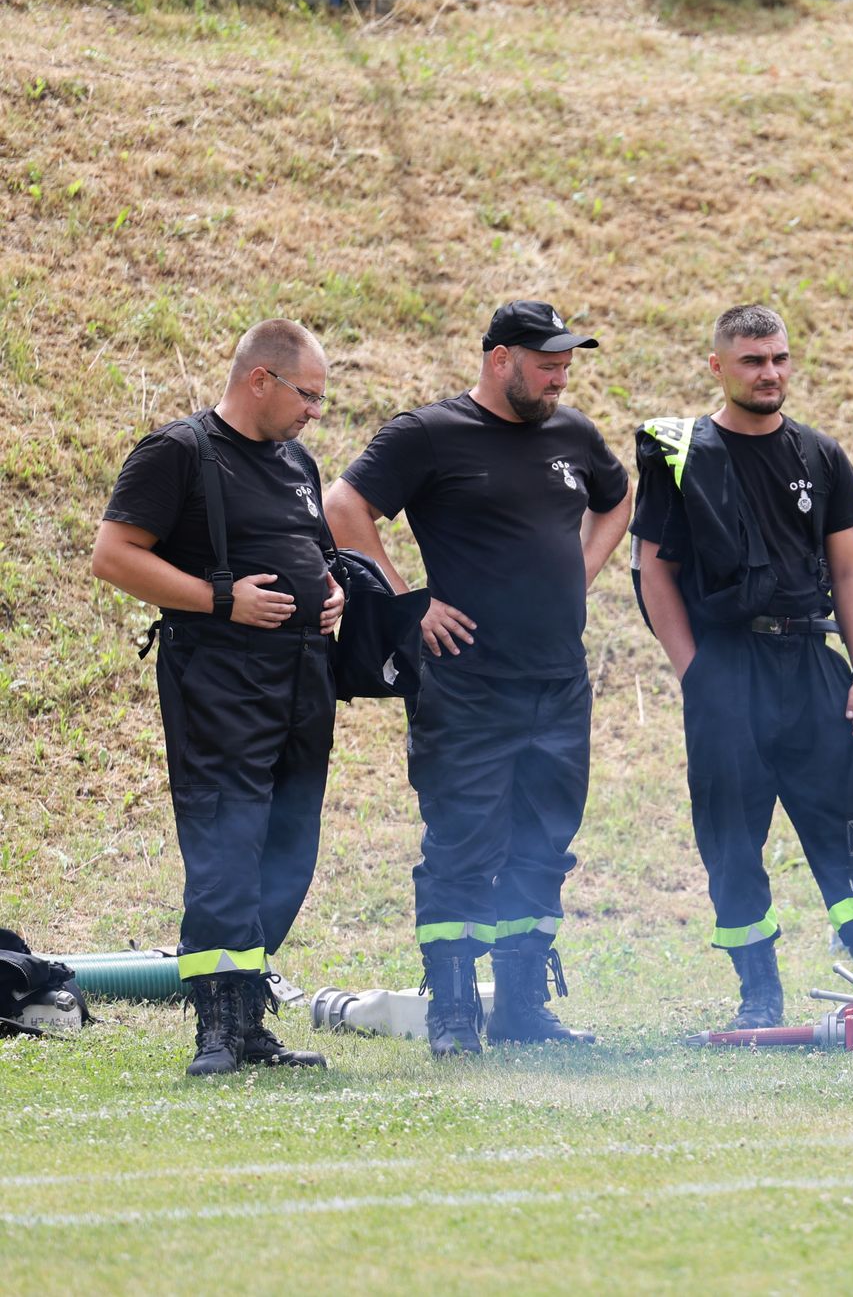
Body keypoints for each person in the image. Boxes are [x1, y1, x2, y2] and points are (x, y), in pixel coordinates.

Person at [326, 301, 630, 1057]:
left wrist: (582, 571)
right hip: (467, 686)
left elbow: (617, 497)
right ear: (500, 360)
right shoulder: (429, 434)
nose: (561, 374)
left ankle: (524, 1008)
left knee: (544, 844)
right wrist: (407, 604)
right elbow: (344, 505)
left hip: (558, 684)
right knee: (462, 844)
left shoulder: (573, 434)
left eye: (568, 361)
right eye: (547, 360)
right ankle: (454, 1015)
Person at [92, 318, 342, 1076]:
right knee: (227, 845)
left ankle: (254, 1019)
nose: (314, 412)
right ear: (259, 379)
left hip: (303, 681)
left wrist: (332, 593)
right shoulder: (181, 451)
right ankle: (220, 1025)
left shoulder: (298, 460)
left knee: (290, 848)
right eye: (307, 394)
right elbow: (113, 556)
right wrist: (217, 598)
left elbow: (317, 555)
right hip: (221, 681)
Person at [630, 304, 853, 1028]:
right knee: (732, 839)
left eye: (778, 357)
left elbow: (850, 570)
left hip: (811, 662)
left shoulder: (821, 454)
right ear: (718, 365)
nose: (769, 372)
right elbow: (655, 572)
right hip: (728, 668)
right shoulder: (685, 453)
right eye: (751, 360)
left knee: (847, 828)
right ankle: (758, 992)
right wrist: (696, 672)